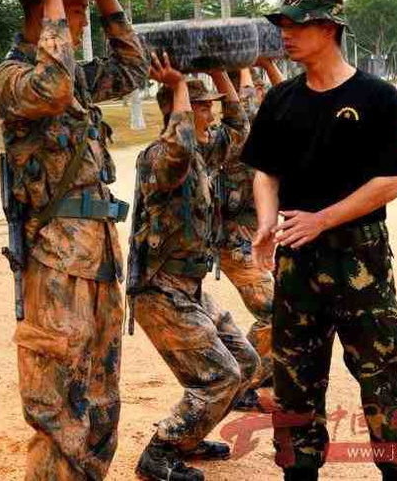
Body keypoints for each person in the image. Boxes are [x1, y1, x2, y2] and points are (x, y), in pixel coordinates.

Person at [240, 0, 397, 481]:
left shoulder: (378, 98)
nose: (285, 33)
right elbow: (266, 172)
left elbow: (391, 181)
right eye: (281, 23)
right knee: (294, 377)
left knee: (383, 371)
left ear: (328, 28)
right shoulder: (280, 100)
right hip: (296, 259)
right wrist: (265, 222)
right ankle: (297, 472)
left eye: (295, 24)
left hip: (358, 257)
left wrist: (323, 218)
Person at [0, 0, 147, 480]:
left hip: (98, 255)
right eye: (71, 15)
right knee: (59, 399)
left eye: (77, 14)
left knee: (102, 393)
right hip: (55, 259)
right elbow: (51, 88)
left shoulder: (75, 76)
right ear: (42, 15)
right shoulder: (13, 79)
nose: (77, 26)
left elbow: (132, 70)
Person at [129, 52, 259, 481]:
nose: (211, 110)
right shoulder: (161, 158)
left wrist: (224, 68)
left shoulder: (202, 151)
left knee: (246, 362)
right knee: (219, 377)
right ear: (179, 108)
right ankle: (159, 453)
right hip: (159, 290)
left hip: (190, 288)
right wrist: (180, 86)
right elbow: (179, 146)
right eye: (202, 105)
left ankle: (189, 437)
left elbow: (242, 132)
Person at [219, 59, 285, 411]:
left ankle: (268, 371)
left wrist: (269, 65)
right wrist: (245, 66)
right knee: (273, 309)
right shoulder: (236, 132)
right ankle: (242, 381)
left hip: (257, 231)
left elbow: (293, 96)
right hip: (233, 236)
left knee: (287, 305)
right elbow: (246, 109)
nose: (262, 96)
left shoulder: (270, 123)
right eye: (256, 90)